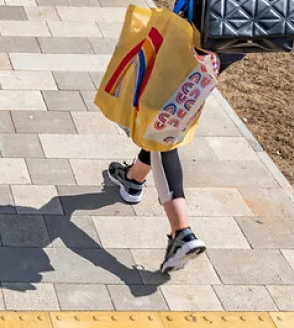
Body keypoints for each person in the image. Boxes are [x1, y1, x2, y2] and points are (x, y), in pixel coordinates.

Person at [103, 3, 245, 273]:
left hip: (200, 30)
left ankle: (182, 232)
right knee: (172, 112)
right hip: (240, 33)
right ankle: (134, 177)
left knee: (162, 122)